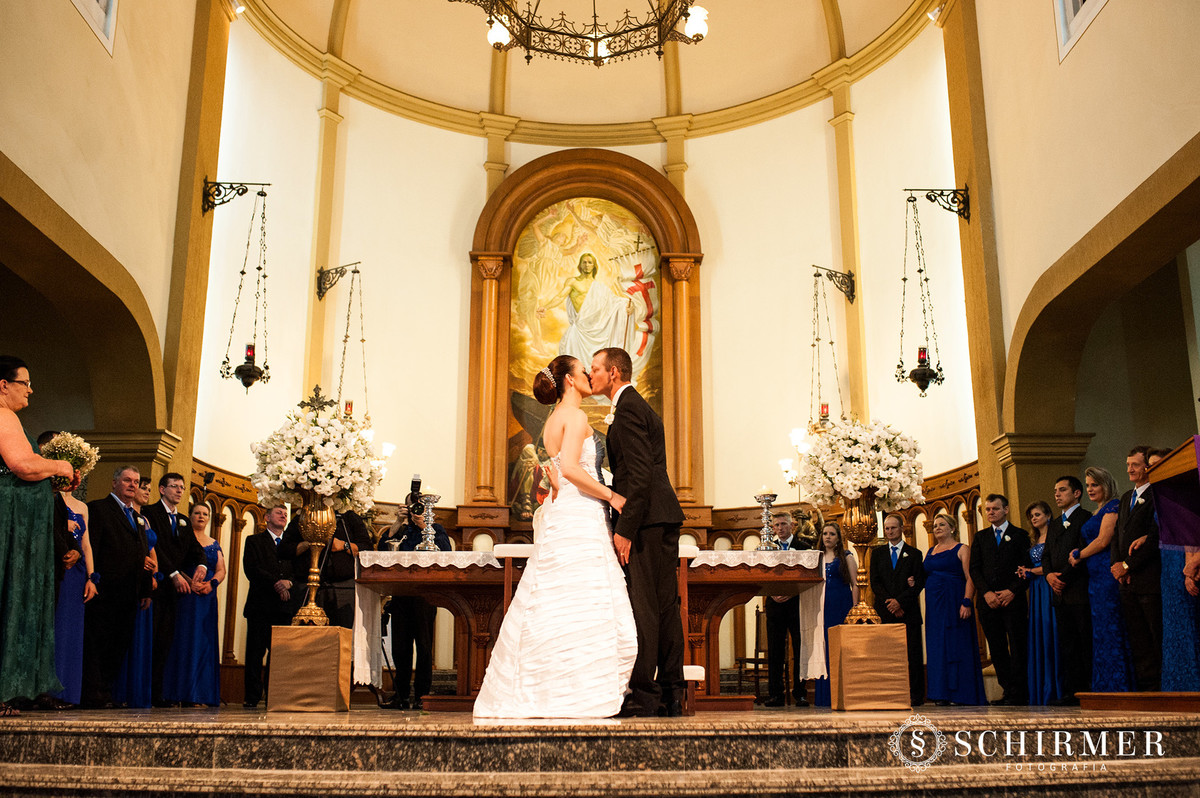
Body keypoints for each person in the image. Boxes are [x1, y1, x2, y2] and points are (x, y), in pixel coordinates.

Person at [474, 354, 636, 718]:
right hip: (580, 515)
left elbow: (556, 472)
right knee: (583, 597)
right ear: (568, 380)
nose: (589, 378)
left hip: (565, 513)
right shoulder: (576, 416)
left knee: (556, 597)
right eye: (583, 372)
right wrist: (612, 495)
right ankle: (578, 691)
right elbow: (572, 470)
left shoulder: (551, 420)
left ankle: (544, 687)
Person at [590, 346, 686, 718]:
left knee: (645, 608)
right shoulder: (636, 405)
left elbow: (640, 475)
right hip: (660, 515)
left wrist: (626, 528)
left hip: (645, 519)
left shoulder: (628, 408)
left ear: (614, 372)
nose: (592, 375)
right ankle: (672, 692)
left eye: (596, 369)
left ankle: (646, 694)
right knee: (664, 608)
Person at [0, 360, 77, 716]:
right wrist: (59, 466)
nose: (30, 390)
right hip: (9, 523)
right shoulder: (3, 415)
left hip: (18, 522)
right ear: (3, 385)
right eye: (25, 383)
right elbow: (21, 465)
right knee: (8, 595)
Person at [81, 465, 153, 708]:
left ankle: (106, 692)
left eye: (136, 481)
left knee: (118, 644)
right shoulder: (99, 509)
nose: (133, 485)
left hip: (129, 593)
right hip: (105, 590)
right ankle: (92, 694)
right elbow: (93, 547)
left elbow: (142, 554)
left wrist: (145, 590)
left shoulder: (138, 517)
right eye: (127, 480)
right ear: (114, 483)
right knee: (98, 644)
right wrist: (92, 580)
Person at [378, 498, 452, 710]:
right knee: (400, 647)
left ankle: (422, 696)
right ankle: (400, 695)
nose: (415, 510)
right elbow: (382, 553)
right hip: (401, 593)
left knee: (424, 647)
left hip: (425, 595)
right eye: (412, 506)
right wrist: (396, 524)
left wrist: (424, 526)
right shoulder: (400, 530)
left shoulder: (435, 529)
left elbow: (446, 552)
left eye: (420, 506)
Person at [141, 471, 205, 707]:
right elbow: (155, 548)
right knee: (150, 639)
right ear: (162, 489)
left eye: (181, 487)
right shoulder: (150, 514)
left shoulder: (184, 520)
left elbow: (195, 549)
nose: (179, 491)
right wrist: (174, 573)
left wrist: (200, 564)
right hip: (156, 586)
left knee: (165, 643)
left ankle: (158, 693)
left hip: (174, 594)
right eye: (174, 486)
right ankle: (143, 691)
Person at [1068, 466, 1134, 692]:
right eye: (1087, 485)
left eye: (1094, 484)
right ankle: (1104, 684)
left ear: (1106, 484)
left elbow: (1104, 540)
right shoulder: (1096, 511)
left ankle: (1119, 684)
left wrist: (1078, 554)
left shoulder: (1113, 506)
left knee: (1112, 626)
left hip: (1107, 576)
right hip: (1094, 579)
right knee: (1100, 631)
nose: (1090, 489)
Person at [970, 493, 1031, 705]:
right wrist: (986, 593)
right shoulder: (980, 537)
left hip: (1012, 600)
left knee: (1017, 644)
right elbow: (974, 569)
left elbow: (1026, 568)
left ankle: (1020, 691)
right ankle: (1007, 690)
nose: (990, 512)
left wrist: (1012, 591)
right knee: (996, 648)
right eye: (987, 509)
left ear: (1005, 510)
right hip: (988, 602)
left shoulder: (1020, 535)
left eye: (995, 509)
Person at [162, 504, 224, 707]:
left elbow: (221, 570)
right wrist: (190, 582)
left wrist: (211, 584)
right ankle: (176, 692)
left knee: (203, 645)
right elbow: (175, 562)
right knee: (183, 642)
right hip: (185, 595)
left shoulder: (214, 543)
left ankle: (199, 694)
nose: (201, 516)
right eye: (197, 513)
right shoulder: (184, 538)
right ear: (189, 516)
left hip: (206, 598)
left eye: (205, 514)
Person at [1111, 446, 1162, 692]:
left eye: (1135, 465)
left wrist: (1128, 565)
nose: (1130, 469)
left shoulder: (1157, 495)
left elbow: (1154, 537)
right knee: (1137, 637)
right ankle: (1146, 687)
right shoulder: (1125, 498)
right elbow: (1116, 535)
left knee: (1154, 633)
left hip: (1147, 578)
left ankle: (1161, 685)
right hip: (1125, 581)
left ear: (1147, 467)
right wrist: (1116, 564)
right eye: (1128, 464)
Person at [923, 511, 986, 706]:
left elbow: (970, 577)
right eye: (935, 526)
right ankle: (941, 693)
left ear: (952, 527)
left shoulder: (962, 548)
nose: (937, 528)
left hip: (954, 602)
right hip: (934, 606)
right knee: (937, 647)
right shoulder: (930, 551)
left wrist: (967, 601)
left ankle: (961, 693)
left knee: (956, 645)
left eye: (941, 525)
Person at [1041, 475, 1093, 705]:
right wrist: (1049, 575)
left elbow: (1082, 551)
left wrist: (1063, 578)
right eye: (1055, 491)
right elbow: (1046, 555)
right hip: (1058, 593)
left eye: (1062, 490)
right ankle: (1071, 692)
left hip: (1077, 590)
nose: (1057, 495)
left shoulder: (1086, 518)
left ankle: (1087, 690)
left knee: (1083, 642)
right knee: (1067, 645)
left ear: (1077, 493)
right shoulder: (1053, 523)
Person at [241, 506, 299, 708]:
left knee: (279, 655)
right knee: (255, 654)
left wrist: (289, 583)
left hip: (283, 608)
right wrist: (277, 583)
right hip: (260, 606)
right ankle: (252, 697)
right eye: (278, 512)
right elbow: (252, 569)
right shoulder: (254, 541)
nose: (283, 515)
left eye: (285, 513)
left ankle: (274, 695)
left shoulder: (291, 546)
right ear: (266, 518)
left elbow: (297, 572)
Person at [278, 508, 372, 630]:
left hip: (342, 589)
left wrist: (344, 545)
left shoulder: (348, 517)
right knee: (305, 636)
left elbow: (366, 549)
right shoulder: (302, 517)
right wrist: (308, 542)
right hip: (306, 587)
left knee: (342, 634)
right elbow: (283, 550)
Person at [869, 512, 925, 706]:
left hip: (908, 612)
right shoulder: (877, 554)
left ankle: (916, 695)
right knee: (887, 654)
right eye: (887, 528)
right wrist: (891, 604)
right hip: (885, 612)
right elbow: (875, 583)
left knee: (913, 655)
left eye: (893, 527)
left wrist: (900, 602)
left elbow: (918, 584)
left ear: (902, 529)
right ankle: (889, 692)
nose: (890, 531)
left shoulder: (915, 554)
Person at [111, 481, 158, 709]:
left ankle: (136, 690)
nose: (145, 492)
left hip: (145, 581)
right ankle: (120, 690)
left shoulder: (144, 519)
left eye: (148, 489)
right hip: (126, 580)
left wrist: (154, 575)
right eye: (144, 488)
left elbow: (151, 550)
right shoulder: (122, 514)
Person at [538, 253, 632, 364]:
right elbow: (560, 296)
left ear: (594, 266)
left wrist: (626, 307)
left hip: (596, 330)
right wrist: (546, 307)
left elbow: (614, 303)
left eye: (590, 262)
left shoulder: (600, 287)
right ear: (580, 265)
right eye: (584, 262)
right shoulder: (573, 282)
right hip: (580, 330)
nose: (587, 265)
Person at [1016, 501, 1065, 705]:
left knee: (1052, 630)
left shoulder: (1055, 535)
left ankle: (1056, 687)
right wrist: (1025, 571)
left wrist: (1031, 571)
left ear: (1048, 515)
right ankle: (1040, 688)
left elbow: (1052, 564)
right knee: (1039, 632)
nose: (1034, 518)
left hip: (1048, 584)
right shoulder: (1034, 539)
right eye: (1031, 516)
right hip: (1035, 589)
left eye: (1037, 514)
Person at [764, 512, 812, 707]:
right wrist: (772, 592)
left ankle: (800, 693)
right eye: (776, 525)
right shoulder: (767, 548)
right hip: (775, 604)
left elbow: (808, 577)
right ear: (772, 528)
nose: (780, 528)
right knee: (775, 651)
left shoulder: (803, 548)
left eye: (784, 524)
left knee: (800, 649)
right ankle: (776, 694)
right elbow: (762, 574)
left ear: (792, 525)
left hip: (796, 604)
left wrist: (792, 593)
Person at [812, 521, 858, 707]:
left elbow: (855, 584)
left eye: (832, 534)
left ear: (839, 538)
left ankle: (843, 694)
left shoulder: (846, 556)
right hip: (823, 607)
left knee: (840, 648)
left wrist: (855, 610)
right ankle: (825, 696)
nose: (828, 537)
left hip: (841, 604)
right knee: (824, 648)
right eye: (825, 534)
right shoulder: (816, 558)